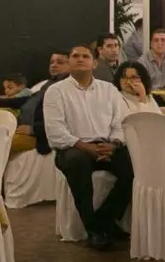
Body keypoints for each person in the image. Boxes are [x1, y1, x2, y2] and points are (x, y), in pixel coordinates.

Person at [46, 45, 134, 251]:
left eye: (85, 56)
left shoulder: (109, 90)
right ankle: (93, 230)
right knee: (77, 164)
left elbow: (121, 123)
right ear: (69, 63)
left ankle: (104, 220)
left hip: (107, 145)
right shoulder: (56, 92)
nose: (80, 59)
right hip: (73, 147)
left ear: (94, 63)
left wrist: (113, 144)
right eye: (75, 56)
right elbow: (55, 130)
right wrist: (86, 147)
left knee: (135, 165)